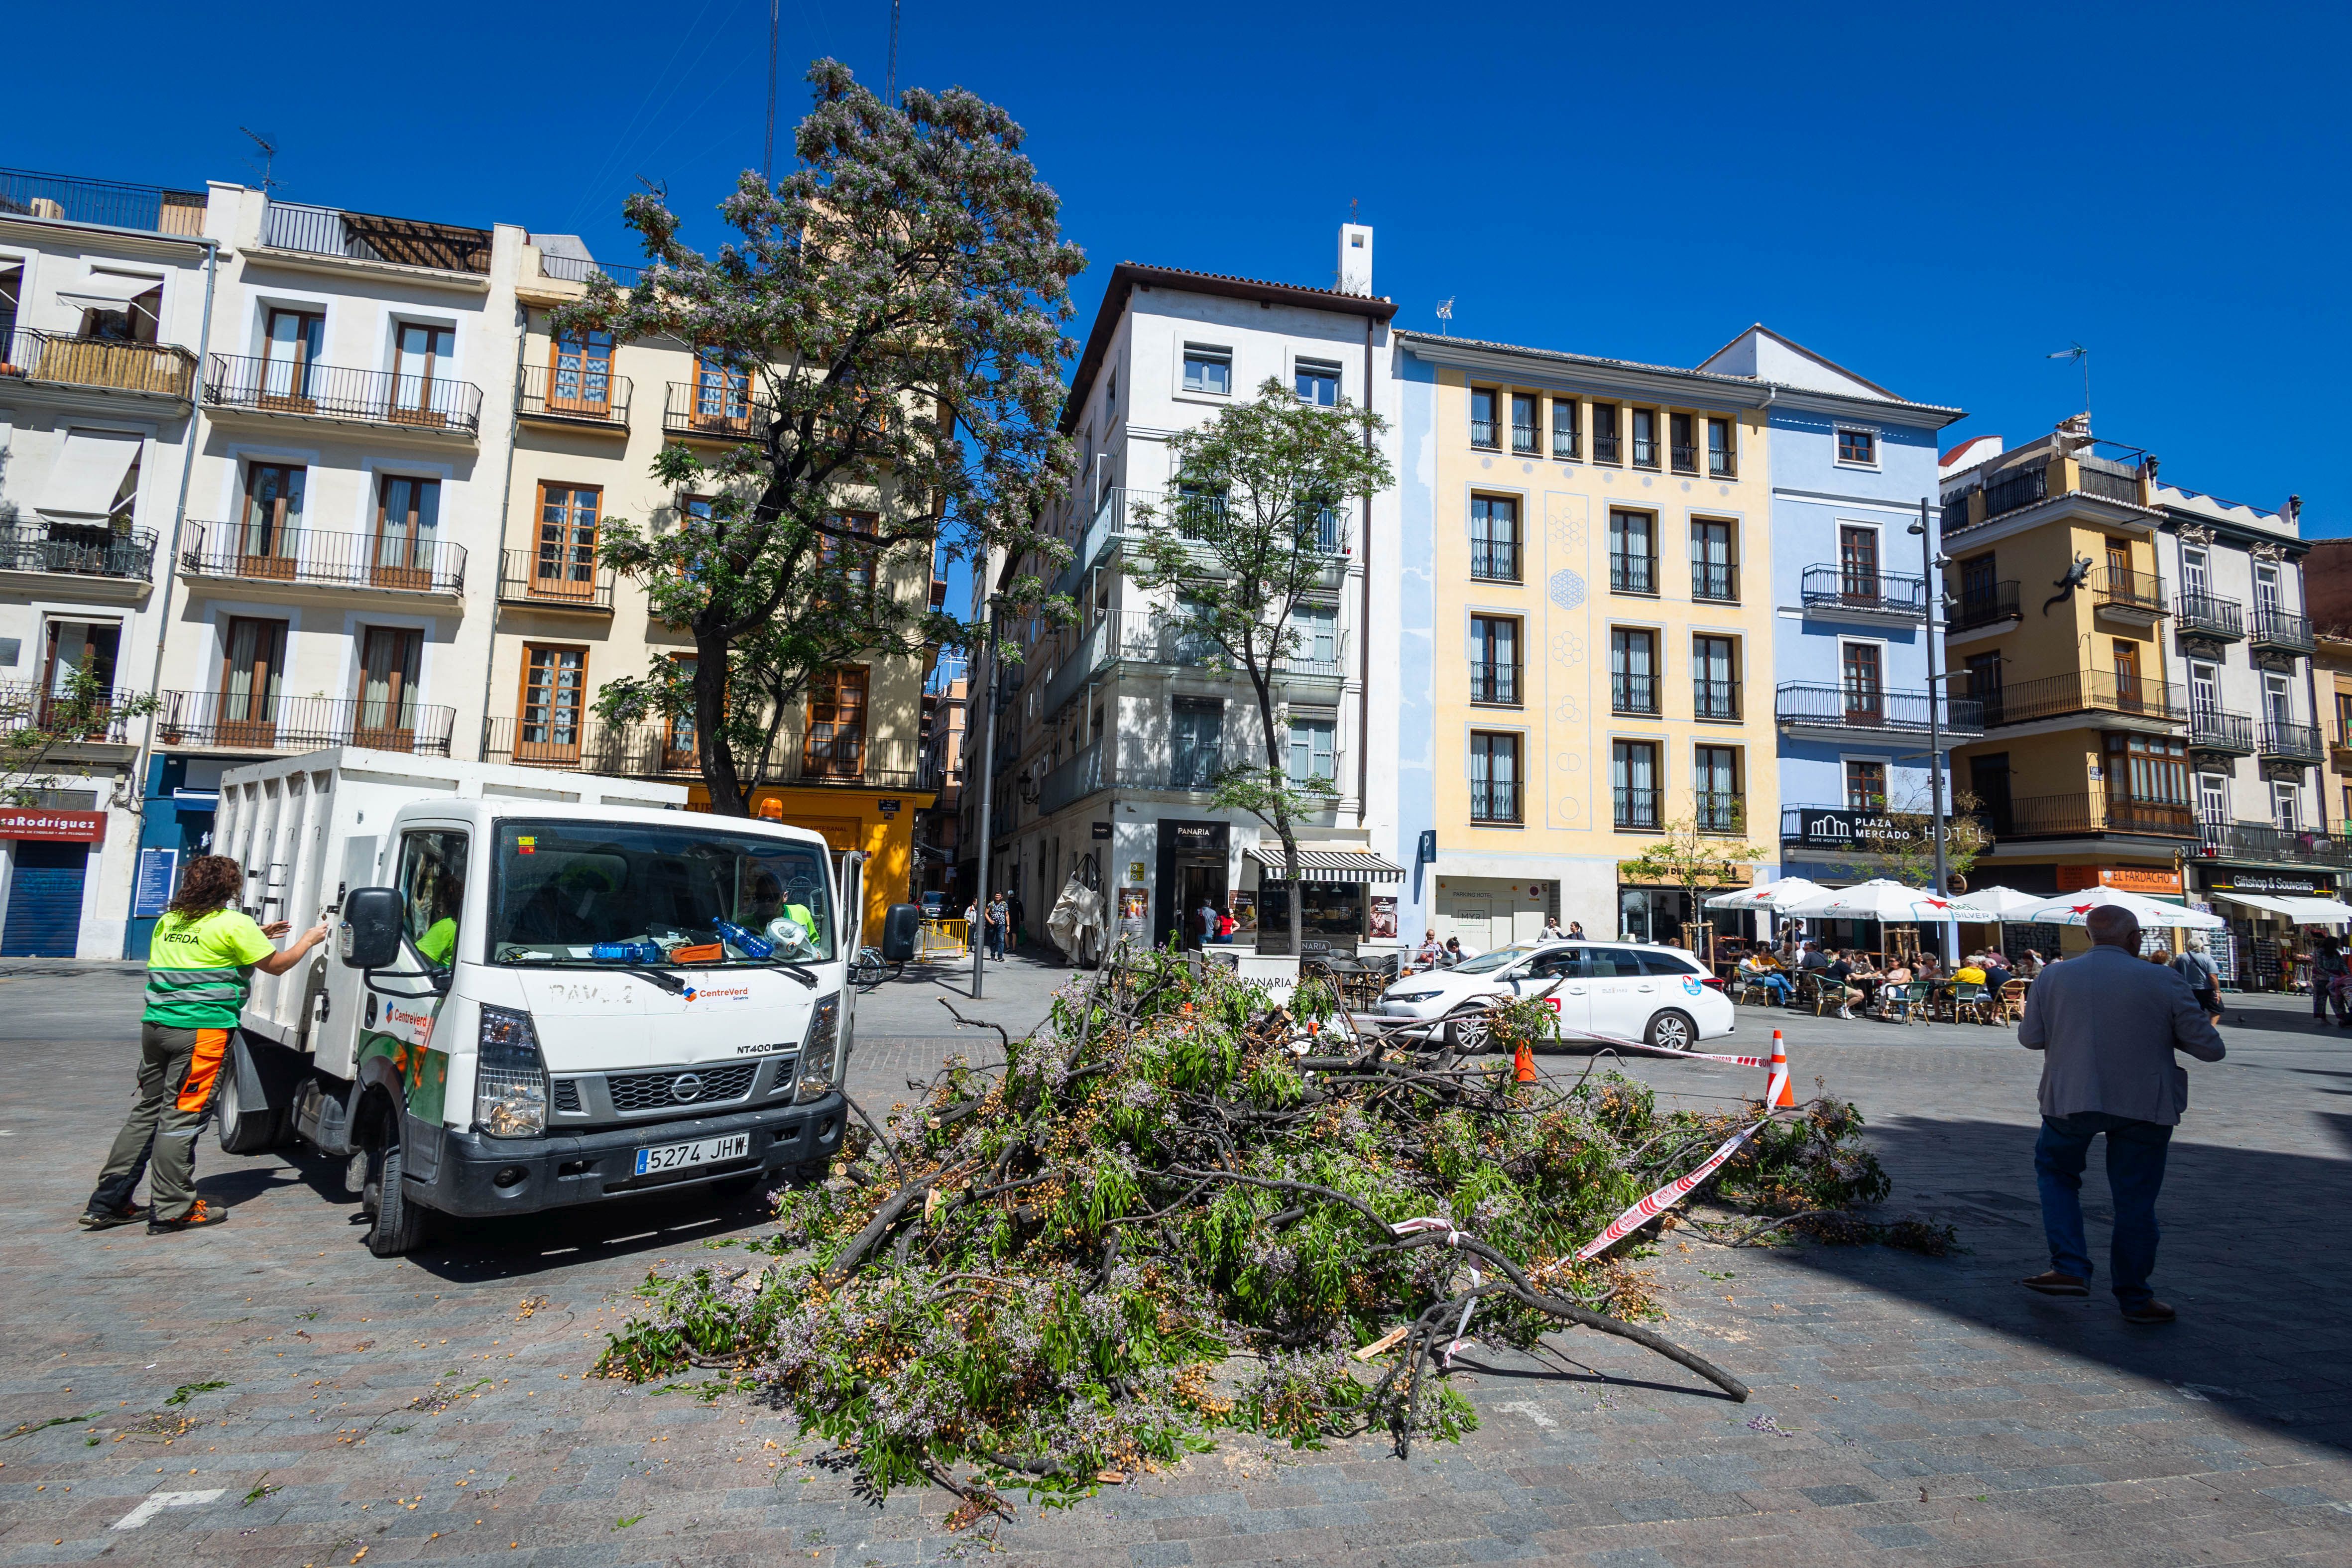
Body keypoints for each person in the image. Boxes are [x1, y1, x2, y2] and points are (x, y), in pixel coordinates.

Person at [83, 855, 329, 1233]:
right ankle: (172, 1209)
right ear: (230, 888)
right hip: (201, 1033)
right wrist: (308, 941)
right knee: (182, 1116)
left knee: (147, 1112)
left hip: (157, 1026)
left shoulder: (171, 921)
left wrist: (254, 935)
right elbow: (278, 966)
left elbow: (202, 951)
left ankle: (107, 1202)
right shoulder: (234, 924)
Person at [2016, 903, 2226, 1324]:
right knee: (2135, 1200)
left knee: (2057, 1175)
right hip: (2144, 1103)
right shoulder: (2163, 978)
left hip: (2070, 1096)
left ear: (2090, 937)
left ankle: (2070, 1266)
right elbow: (2210, 1048)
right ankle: (2135, 1296)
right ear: (2135, 938)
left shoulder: (2053, 976)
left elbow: (2030, 1038)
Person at [2170, 935, 2221, 1023]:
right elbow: (2213, 976)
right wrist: (2217, 991)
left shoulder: (2181, 957)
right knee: (2217, 1010)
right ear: (2202, 946)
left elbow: (2176, 973)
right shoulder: (2207, 959)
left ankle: (2197, 1029)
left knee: (2195, 1011)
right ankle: (2210, 1029)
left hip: (2188, 990)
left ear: (2189, 946)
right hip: (2206, 989)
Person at [2311, 933, 2348, 1023]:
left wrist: (2348, 975)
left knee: (2337, 998)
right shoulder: (2319, 952)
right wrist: (2330, 974)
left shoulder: (2336, 953)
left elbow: (2342, 965)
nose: (2338, 945)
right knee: (2321, 999)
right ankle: (2322, 1017)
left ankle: (2342, 1017)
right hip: (2320, 979)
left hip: (2336, 980)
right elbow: (2318, 967)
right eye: (2336, 943)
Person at [1821, 950, 1861, 1019]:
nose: (1851, 959)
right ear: (1848, 957)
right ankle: (1842, 1009)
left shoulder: (1836, 962)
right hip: (1834, 987)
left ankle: (1846, 1009)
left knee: (1860, 991)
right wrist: (1868, 975)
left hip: (1828, 986)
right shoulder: (1843, 964)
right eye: (1851, 957)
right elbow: (1856, 977)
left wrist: (1847, 976)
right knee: (1860, 995)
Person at [985, 893, 1008, 962]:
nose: (997, 897)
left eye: (999, 896)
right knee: (993, 941)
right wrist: (990, 921)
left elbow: (1007, 915)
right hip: (993, 925)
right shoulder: (991, 904)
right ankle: (992, 955)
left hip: (1002, 925)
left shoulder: (1004, 904)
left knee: (1001, 940)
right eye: (996, 896)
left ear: (1002, 897)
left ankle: (1000, 956)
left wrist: (1008, 926)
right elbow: (986, 913)